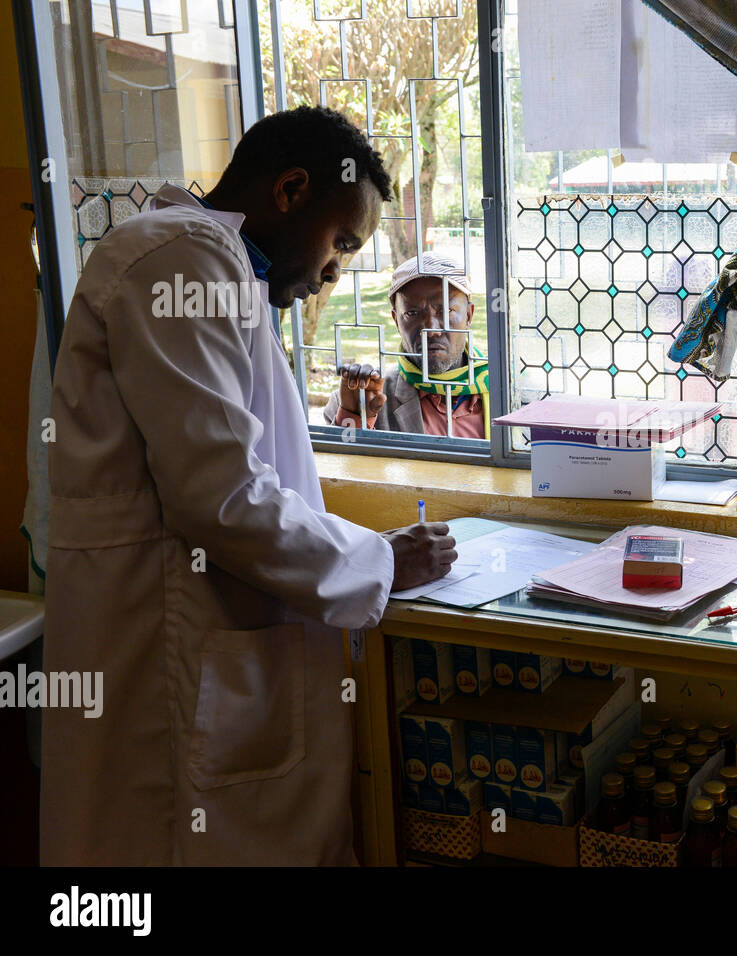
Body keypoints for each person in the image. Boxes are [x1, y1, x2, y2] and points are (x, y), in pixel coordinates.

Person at [42, 106, 457, 865]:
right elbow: (222, 498)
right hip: (173, 655)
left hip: (215, 650)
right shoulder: (182, 259)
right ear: (292, 189)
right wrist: (382, 560)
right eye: (342, 243)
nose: (335, 272)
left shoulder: (214, 268)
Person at [325, 253, 488, 438]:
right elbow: (339, 465)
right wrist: (356, 419)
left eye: (446, 310)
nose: (431, 330)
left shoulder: (510, 394)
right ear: (396, 320)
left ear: (469, 315)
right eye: (412, 313)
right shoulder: (356, 400)